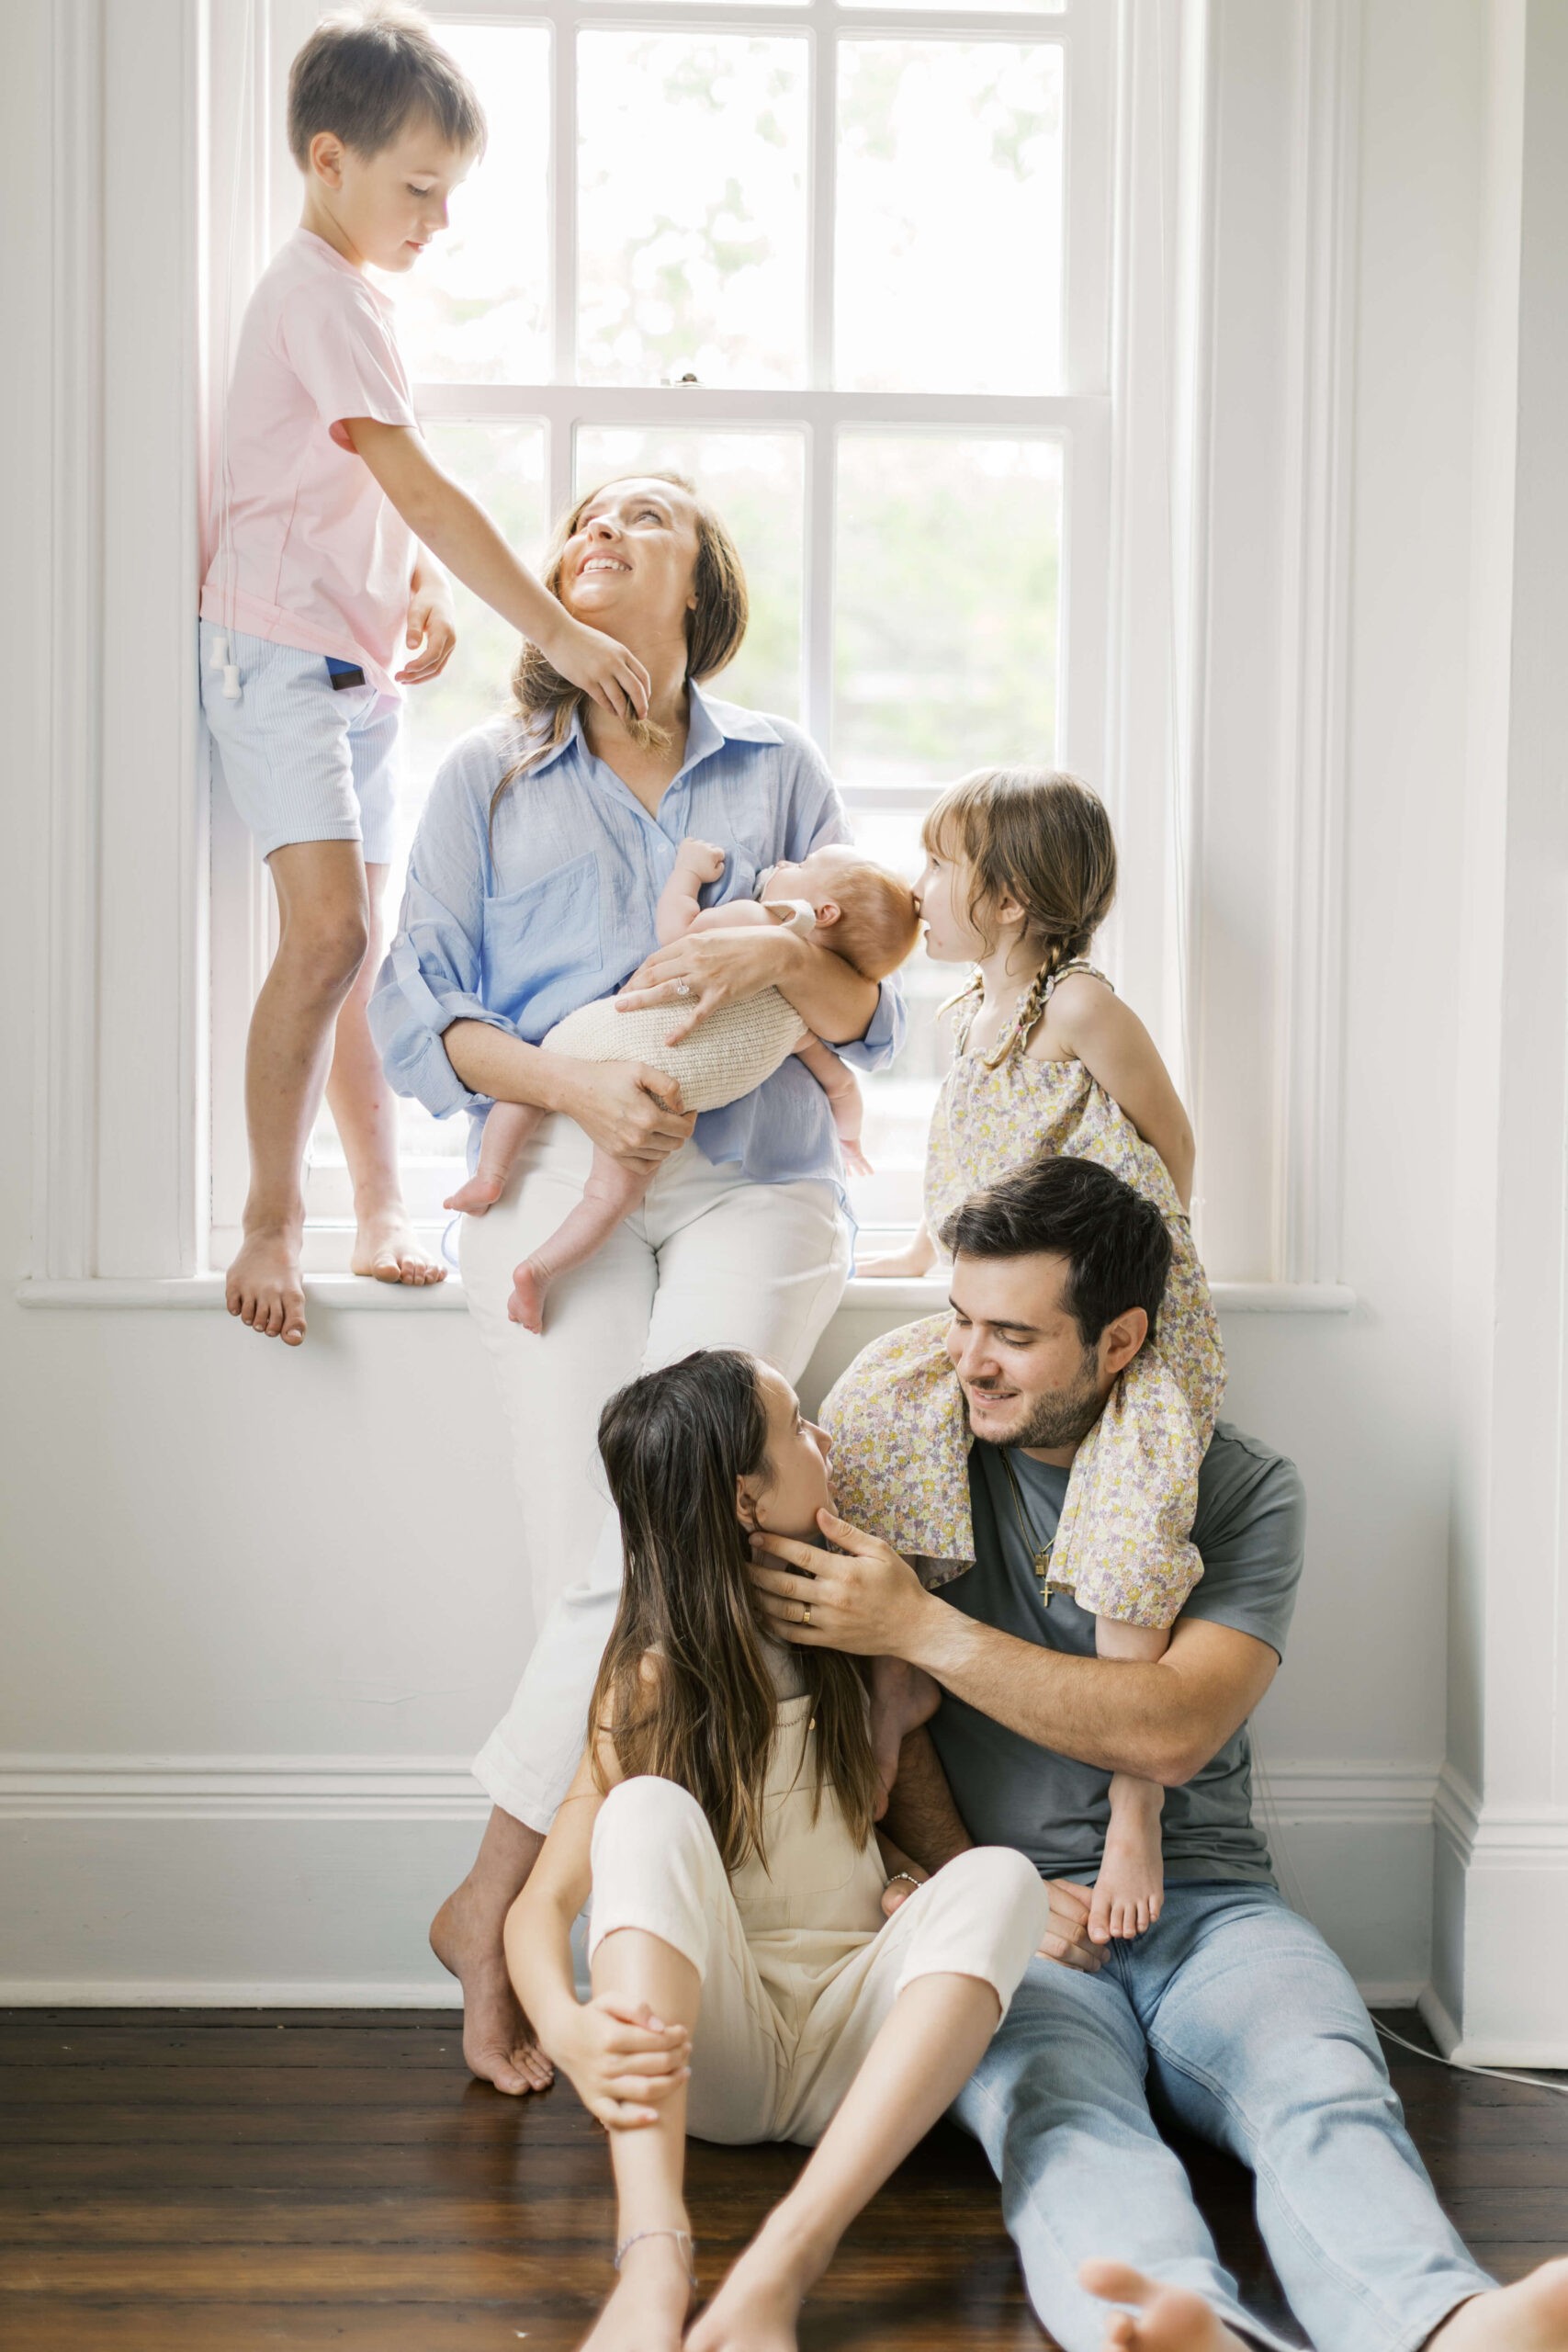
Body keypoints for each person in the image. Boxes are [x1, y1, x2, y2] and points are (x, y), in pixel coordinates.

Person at [750, 1153, 1544, 2352]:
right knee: (1060, 2125)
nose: (969, 1361)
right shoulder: (909, 1463)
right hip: (1007, 1921)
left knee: (1321, 2086)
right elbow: (882, 1719)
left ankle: (1442, 2327)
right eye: (960, 1320)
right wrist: (987, 1890)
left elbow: (1174, 1728)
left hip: (1207, 1902)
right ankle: (1180, 2336)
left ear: (1117, 1342)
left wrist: (916, 1622)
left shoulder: (1237, 1488)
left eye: (1012, 1335)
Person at [369, 471, 903, 2093]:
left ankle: (502, 1907)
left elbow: (871, 1000)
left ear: (700, 588)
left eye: (645, 517)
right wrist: (563, 1086)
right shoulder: (483, 772)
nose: (598, 530)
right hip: (551, 1172)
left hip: (754, 1186)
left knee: (678, 1523)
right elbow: (415, 1020)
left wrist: (770, 956)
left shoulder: (780, 769)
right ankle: (553, 1917)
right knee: (609, 1555)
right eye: (581, 516)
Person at [200, 4, 650, 1347]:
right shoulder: (313, 291)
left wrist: (413, 589)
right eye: (418, 188)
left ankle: (379, 1204)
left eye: (450, 192)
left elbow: (354, 487)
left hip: (356, 669)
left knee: (369, 952)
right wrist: (555, 634)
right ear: (327, 160)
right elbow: (418, 481)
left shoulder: (358, 302)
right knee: (326, 937)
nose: (437, 218)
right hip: (274, 657)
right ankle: (270, 1212)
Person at [506, 1349, 1047, 2352]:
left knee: (1002, 1879)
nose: (824, 1438)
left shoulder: (851, 1634)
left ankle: (782, 2265)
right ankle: (654, 2253)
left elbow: (893, 1839)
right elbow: (536, 1908)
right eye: (799, 1426)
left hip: (859, 2046)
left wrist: (914, 1892)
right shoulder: (655, 1679)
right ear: (746, 1500)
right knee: (643, 1814)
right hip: (718, 2053)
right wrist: (566, 2025)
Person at [850, 768, 1224, 1942]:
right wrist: (928, 1246)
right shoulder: (971, 1017)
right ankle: (898, 1669)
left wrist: (1129, 1272)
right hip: (1012, 1287)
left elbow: (1170, 1140)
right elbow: (968, 1164)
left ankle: (1133, 1806)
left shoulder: (1080, 1009)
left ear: (1009, 898)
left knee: (1125, 1513)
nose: (921, 889)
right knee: (878, 1403)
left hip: (1121, 1311)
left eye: (940, 868)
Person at [445, 839, 916, 1329]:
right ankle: (539, 1270)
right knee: (605, 1199)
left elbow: (678, 932)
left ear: (820, 912)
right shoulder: (799, 1021)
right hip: (660, 1100)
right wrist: (850, 1138)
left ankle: (490, 1176)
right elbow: (840, 1085)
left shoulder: (756, 924)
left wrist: (687, 874)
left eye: (802, 866)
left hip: (611, 1039)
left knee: (530, 1086)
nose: (784, 863)